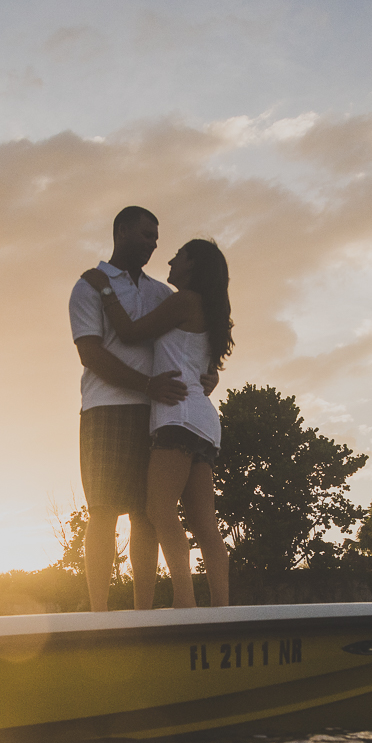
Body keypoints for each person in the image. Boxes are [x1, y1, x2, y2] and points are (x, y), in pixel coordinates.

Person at [80, 238, 233, 609]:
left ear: (193, 265)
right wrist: (210, 377)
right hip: (202, 420)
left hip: (176, 416)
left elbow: (131, 333)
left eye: (179, 255)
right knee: (204, 523)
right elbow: (204, 366)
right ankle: (223, 610)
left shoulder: (182, 301)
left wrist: (104, 291)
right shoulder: (210, 309)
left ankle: (185, 603)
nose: (170, 258)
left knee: (159, 511)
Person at [70, 206, 183, 612]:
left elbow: (182, 346)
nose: (153, 243)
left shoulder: (159, 293)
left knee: (146, 514)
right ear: (121, 231)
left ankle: (143, 614)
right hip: (105, 408)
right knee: (102, 511)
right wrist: (148, 385)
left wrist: (207, 373)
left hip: (154, 411)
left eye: (156, 237)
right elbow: (91, 355)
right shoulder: (88, 286)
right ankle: (98, 613)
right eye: (146, 234)